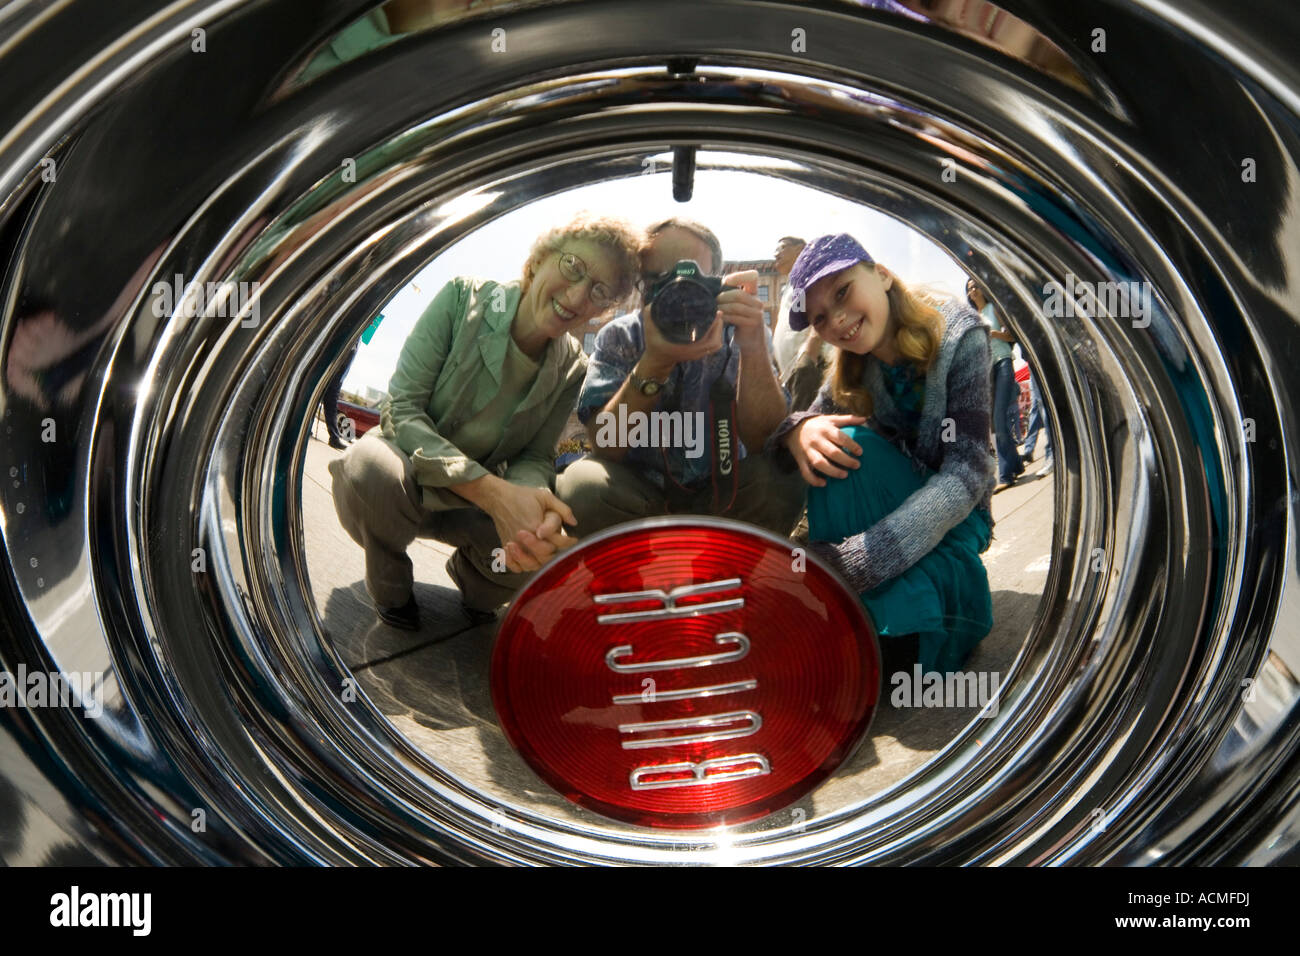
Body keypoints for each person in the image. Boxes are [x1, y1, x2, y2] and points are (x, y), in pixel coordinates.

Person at [329, 214, 640, 629]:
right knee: (370, 468)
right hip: (404, 485)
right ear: (541, 257)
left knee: (543, 539)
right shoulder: (461, 299)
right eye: (573, 267)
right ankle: (391, 587)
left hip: (473, 515)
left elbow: (535, 455)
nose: (579, 295)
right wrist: (493, 494)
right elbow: (402, 408)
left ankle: (477, 582)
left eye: (600, 291)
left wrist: (530, 507)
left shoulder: (573, 368)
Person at [772, 234, 996, 674]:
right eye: (819, 318)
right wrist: (799, 431)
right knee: (832, 441)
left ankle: (906, 613)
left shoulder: (959, 335)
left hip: (961, 515)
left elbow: (968, 471)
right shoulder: (851, 366)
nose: (836, 320)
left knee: (860, 449)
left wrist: (856, 561)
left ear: (882, 274)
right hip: (897, 515)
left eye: (842, 292)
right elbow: (791, 432)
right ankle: (884, 620)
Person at [557, 218, 805, 535]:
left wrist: (753, 345)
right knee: (583, 485)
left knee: (782, 473)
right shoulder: (618, 336)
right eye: (656, 281)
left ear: (718, 284)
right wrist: (654, 364)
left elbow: (766, 439)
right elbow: (605, 445)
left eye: (690, 280)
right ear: (641, 287)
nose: (676, 292)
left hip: (722, 492)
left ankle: (731, 564)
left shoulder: (741, 332)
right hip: (640, 499)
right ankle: (637, 566)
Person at [967, 277, 1023, 491]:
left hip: (1004, 364)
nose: (973, 290)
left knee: (999, 419)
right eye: (970, 289)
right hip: (987, 372)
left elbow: (1011, 336)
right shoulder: (974, 317)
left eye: (976, 286)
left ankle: (1007, 474)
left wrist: (991, 333)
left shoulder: (993, 308)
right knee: (994, 421)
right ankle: (1016, 464)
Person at [320, 345, 358, 449]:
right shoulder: (353, 335)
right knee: (325, 398)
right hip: (333, 366)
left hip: (340, 374)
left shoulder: (358, 340)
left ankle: (334, 437)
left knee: (330, 401)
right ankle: (334, 437)